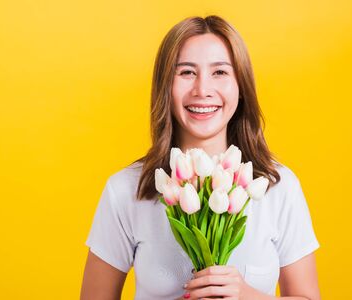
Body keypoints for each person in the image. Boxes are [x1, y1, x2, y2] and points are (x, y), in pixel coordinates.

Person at [80, 15, 320, 300]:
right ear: (165, 88)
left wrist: (246, 295)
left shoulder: (277, 186)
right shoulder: (125, 189)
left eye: (219, 72)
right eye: (186, 73)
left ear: (241, 86)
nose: (202, 90)